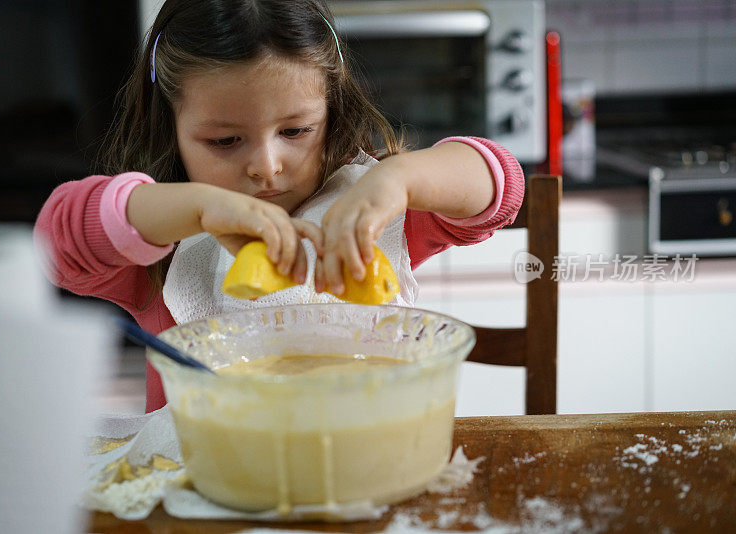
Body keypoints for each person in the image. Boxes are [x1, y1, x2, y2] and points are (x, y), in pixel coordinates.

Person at [35, 0, 525, 413]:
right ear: (172, 129)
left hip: (368, 463)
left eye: (295, 131)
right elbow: (56, 243)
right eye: (225, 140)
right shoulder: (159, 245)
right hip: (208, 490)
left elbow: (501, 186)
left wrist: (399, 178)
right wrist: (197, 208)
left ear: (332, 111)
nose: (267, 166)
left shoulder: (369, 209)